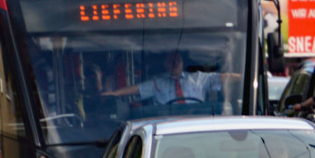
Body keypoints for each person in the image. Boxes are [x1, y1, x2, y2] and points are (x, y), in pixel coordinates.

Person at [103, 51, 240, 105]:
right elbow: (137, 89)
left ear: (183, 63)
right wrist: (115, 93)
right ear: (165, 64)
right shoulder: (158, 82)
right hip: (167, 125)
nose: (175, 64)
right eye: (172, 61)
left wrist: (243, 77)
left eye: (178, 60)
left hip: (196, 121)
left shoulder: (198, 78)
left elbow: (222, 77)